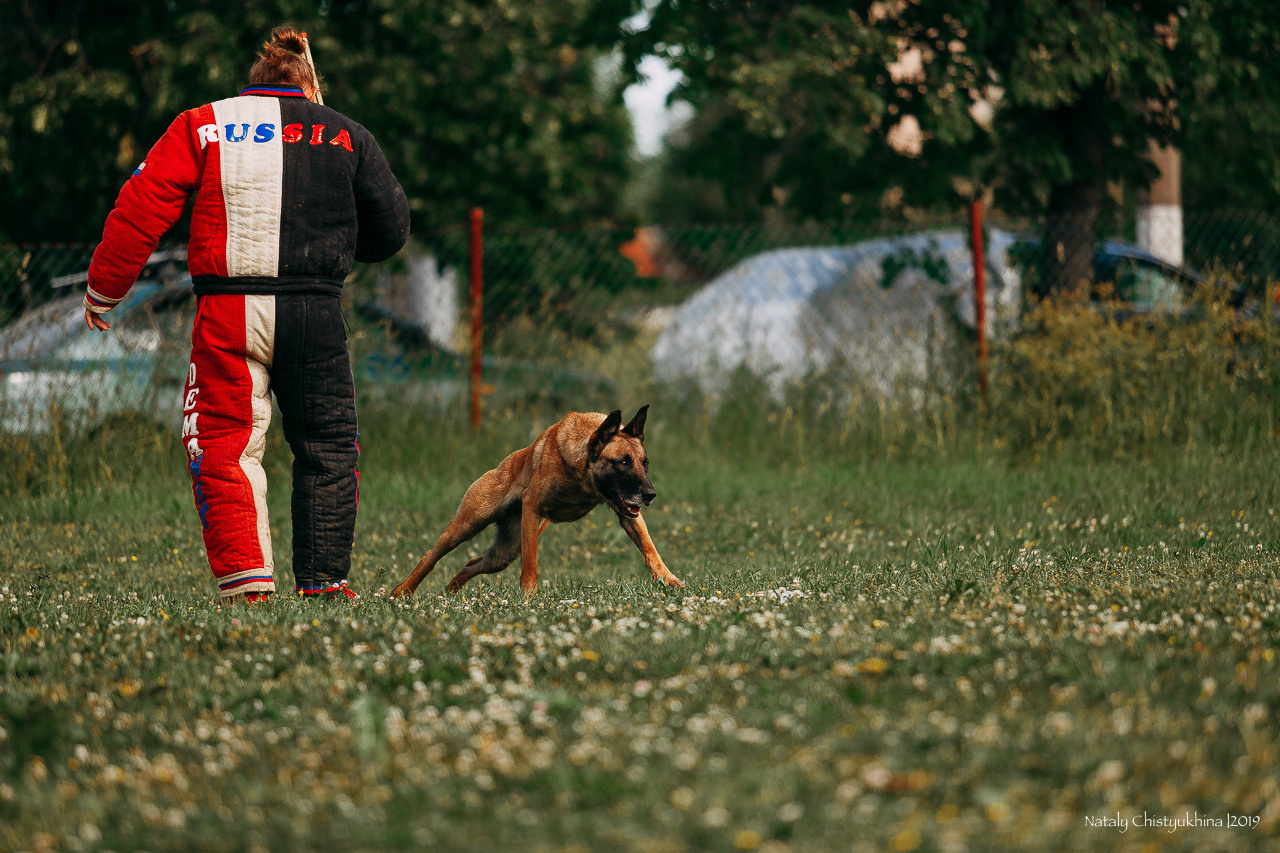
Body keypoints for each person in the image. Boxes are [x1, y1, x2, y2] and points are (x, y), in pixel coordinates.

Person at [83, 25, 410, 603]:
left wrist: (104, 290)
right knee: (328, 447)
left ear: (253, 83)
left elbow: (141, 205)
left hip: (228, 310)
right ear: (309, 87)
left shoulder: (202, 123)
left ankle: (248, 584)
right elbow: (392, 229)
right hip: (316, 313)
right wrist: (331, 243)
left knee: (224, 443)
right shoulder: (347, 133)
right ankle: (324, 583)